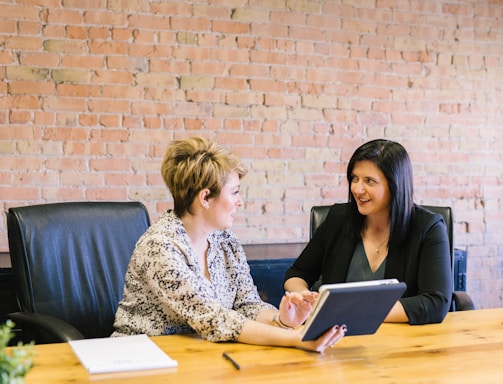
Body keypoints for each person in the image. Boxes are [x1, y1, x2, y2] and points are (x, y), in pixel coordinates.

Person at [112, 136, 346, 352]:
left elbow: (247, 305)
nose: (240, 202)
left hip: (201, 355)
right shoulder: (160, 247)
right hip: (140, 358)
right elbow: (214, 319)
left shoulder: (225, 241)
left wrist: (282, 320)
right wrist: (296, 338)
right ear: (205, 198)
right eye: (234, 193)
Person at [284, 139, 453, 325]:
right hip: (336, 338)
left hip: (402, 340)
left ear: (395, 185)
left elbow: (436, 302)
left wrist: (352, 311)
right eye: (354, 179)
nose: (357, 189)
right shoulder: (339, 219)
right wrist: (303, 297)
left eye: (369, 181)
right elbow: (297, 273)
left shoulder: (428, 228)